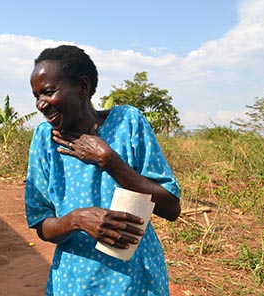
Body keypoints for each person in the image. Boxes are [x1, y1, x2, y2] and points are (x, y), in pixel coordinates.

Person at [24, 45, 181, 295]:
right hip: (76, 282)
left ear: (83, 86)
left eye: (49, 92)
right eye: (36, 96)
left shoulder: (127, 123)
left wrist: (109, 160)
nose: (40, 105)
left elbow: (171, 207)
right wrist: (76, 220)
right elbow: (41, 224)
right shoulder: (45, 139)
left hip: (137, 282)